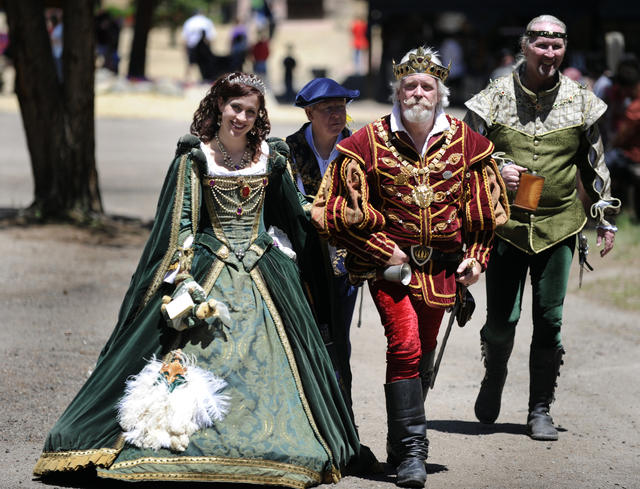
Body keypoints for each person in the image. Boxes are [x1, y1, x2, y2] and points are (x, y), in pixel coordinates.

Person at [33, 72, 364, 487]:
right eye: (235, 108)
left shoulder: (271, 157)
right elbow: (180, 226)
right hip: (212, 268)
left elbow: (294, 208)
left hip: (265, 269)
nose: (241, 117)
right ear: (218, 107)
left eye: (251, 111)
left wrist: (333, 215)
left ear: (260, 116)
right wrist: (182, 278)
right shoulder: (195, 159)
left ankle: (283, 441)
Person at [312, 46, 508, 488]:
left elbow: (483, 212)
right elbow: (333, 210)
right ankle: (416, 452)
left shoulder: (468, 142)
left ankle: (400, 445)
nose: (417, 92)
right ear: (397, 92)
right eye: (408, 86)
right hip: (390, 268)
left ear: (440, 93)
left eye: (426, 86)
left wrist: (475, 259)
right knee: (404, 344)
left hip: (442, 269)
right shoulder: (365, 142)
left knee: (424, 347)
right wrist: (383, 248)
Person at [464, 15, 621, 442]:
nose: (548, 53)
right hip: (506, 228)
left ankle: (539, 409)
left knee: (549, 320)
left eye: (556, 46)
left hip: (559, 226)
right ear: (525, 45)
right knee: (501, 320)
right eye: (540, 45)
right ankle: (493, 376)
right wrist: (497, 169)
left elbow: (594, 163)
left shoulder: (582, 100)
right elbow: (466, 157)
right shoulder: (493, 97)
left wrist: (605, 217)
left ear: (564, 48)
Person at [285, 77, 361, 408]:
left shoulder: (358, 146)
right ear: (310, 114)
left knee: (339, 338)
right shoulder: (287, 150)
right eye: (328, 109)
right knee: (303, 335)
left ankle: (342, 412)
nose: (337, 115)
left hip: (345, 260)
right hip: (299, 260)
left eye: (341, 107)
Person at [182, 10, 216, 84]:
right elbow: (211, 37)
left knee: (190, 63)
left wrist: (185, 49)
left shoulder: (189, 21)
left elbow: (185, 38)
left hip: (192, 46)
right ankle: (206, 79)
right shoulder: (207, 21)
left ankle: (187, 80)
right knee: (205, 64)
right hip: (204, 47)